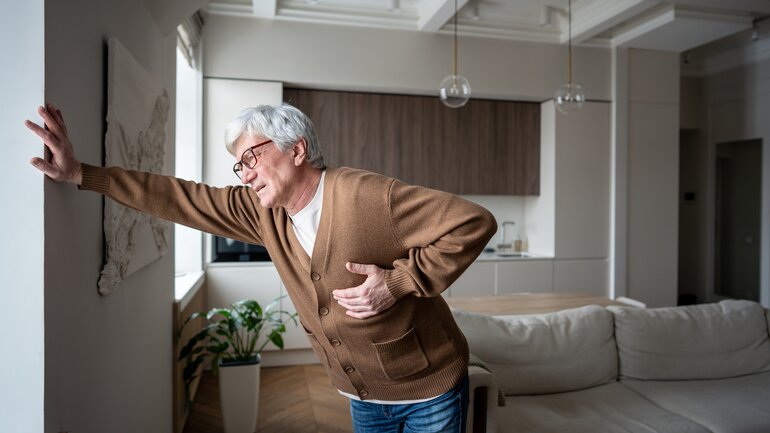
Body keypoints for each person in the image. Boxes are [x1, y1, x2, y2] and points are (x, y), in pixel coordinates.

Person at [26, 102, 497, 433]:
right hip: (362, 393)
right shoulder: (262, 213)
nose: (245, 173)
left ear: (297, 150)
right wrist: (81, 175)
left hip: (428, 386)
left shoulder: (367, 195)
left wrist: (397, 282)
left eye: (252, 157)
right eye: (239, 165)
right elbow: (178, 197)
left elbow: (473, 223)